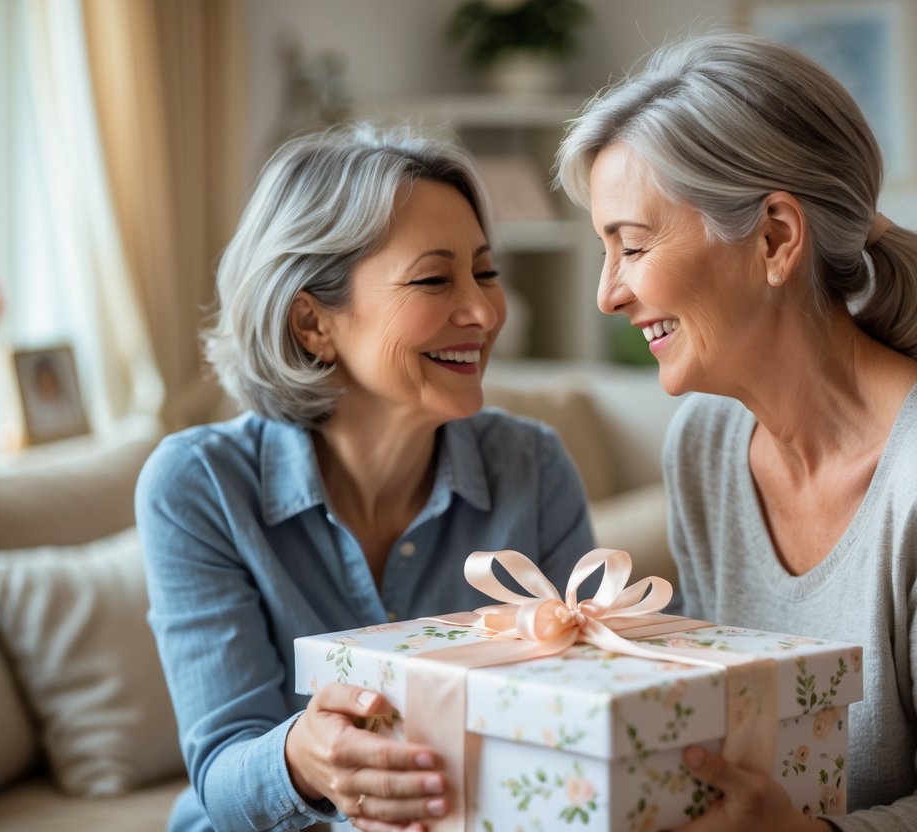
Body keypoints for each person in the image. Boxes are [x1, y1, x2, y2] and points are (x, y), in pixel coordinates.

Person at [556, 31, 917, 831]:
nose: (608, 294)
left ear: (775, 236)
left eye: (632, 245)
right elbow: (725, 723)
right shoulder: (704, 444)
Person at [136, 124, 594, 832]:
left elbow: (578, 715)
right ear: (312, 322)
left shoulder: (532, 468)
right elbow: (222, 774)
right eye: (435, 278)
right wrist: (301, 759)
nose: (483, 311)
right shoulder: (198, 485)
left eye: (485, 271)